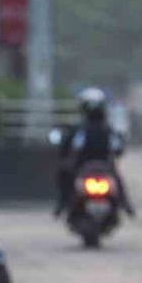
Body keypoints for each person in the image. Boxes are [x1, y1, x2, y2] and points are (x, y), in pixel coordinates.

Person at [55, 87, 133, 216]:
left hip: (100, 165)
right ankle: (63, 203)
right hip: (85, 166)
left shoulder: (101, 130)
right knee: (64, 175)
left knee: (117, 180)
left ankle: (125, 204)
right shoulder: (84, 130)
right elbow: (118, 148)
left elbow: (118, 148)